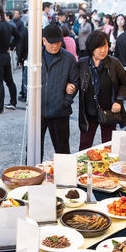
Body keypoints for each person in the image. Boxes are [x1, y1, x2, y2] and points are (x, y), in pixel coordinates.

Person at [78, 31, 126, 150]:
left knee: (109, 145)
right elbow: (74, 81)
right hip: (89, 112)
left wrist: (119, 101)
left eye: (105, 46)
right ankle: (83, 167)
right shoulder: (82, 63)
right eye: (99, 47)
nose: (103, 50)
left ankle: (108, 167)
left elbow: (125, 83)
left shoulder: (114, 63)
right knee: (85, 144)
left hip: (109, 111)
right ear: (91, 48)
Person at [40, 24, 78, 157]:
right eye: (51, 43)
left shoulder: (68, 58)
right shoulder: (35, 56)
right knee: (34, 149)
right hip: (38, 111)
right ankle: (33, 175)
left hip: (60, 111)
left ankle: (64, 176)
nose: (55, 46)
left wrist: (66, 101)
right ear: (44, 40)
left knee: (62, 150)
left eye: (58, 42)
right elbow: (26, 79)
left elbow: (75, 82)